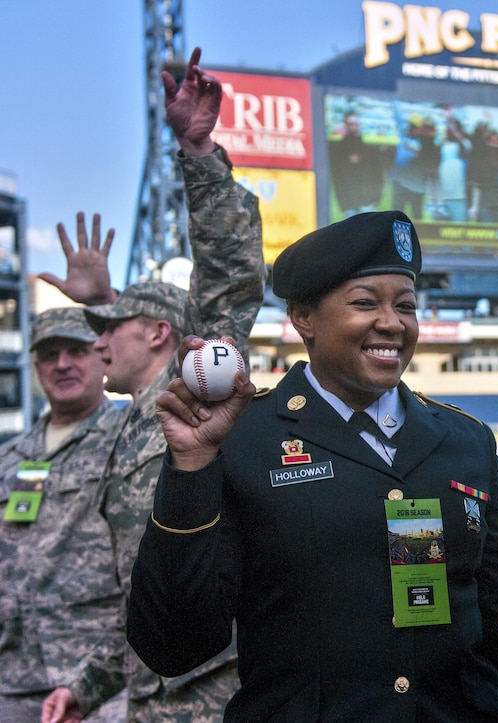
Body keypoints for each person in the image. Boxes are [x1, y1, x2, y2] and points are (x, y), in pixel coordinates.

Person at [126, 210, 498, 722]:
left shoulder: (464, 439)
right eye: (364, 303)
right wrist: (191, 468)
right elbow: (173, 645)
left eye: (405, 305)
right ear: (303, 317)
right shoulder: (242, 439)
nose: (392, 323)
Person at [38, 47, 266, 723]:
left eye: (113, 325)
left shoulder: (201, 384)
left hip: (225, 693)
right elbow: (135, 589)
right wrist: (89, 684)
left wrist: (198, 156)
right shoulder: (117, 430)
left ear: (162, 333)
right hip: (150, 698)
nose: (95, 340)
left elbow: (228, 275)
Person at [0, 307, 125, 722]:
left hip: (102, 677)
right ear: (36, 367)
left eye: (76, 350)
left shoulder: (132, 436)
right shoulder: (10, 458)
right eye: (50, 355)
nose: (63, 364)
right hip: (15, 679)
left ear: (101, 356)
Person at [327, 111, 392, 219]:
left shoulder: (369, 148)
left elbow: (377, 175)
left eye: (356, 123)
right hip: (350, 205)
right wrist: (344, 206)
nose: (354, 126)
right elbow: (338, 179)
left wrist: (376, 199)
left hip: (368, 204)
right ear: (346, 124)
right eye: (350, 123)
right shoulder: (339, 150)